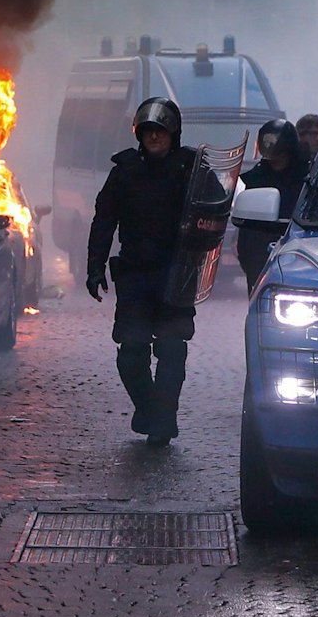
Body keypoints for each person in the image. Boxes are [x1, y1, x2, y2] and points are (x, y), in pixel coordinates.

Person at [84, 97, 225, 445]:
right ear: (139, 134)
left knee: (172, 349)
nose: (154, 137)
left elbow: (217, 213)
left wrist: (199, 242)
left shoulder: (193, 168)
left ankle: (165, 419)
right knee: (130, 353)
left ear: (173, 133)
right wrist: (95, 266)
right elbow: (104, 220)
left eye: (160, 131)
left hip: (177, 275)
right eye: (148, 132)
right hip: (135, 275)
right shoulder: (125, 171)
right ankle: (149, 408)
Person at [236, 118, 308, 292]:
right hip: (259, 256)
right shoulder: (252, 179)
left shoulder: (308, 179)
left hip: (300, 254)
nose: (276, 160)